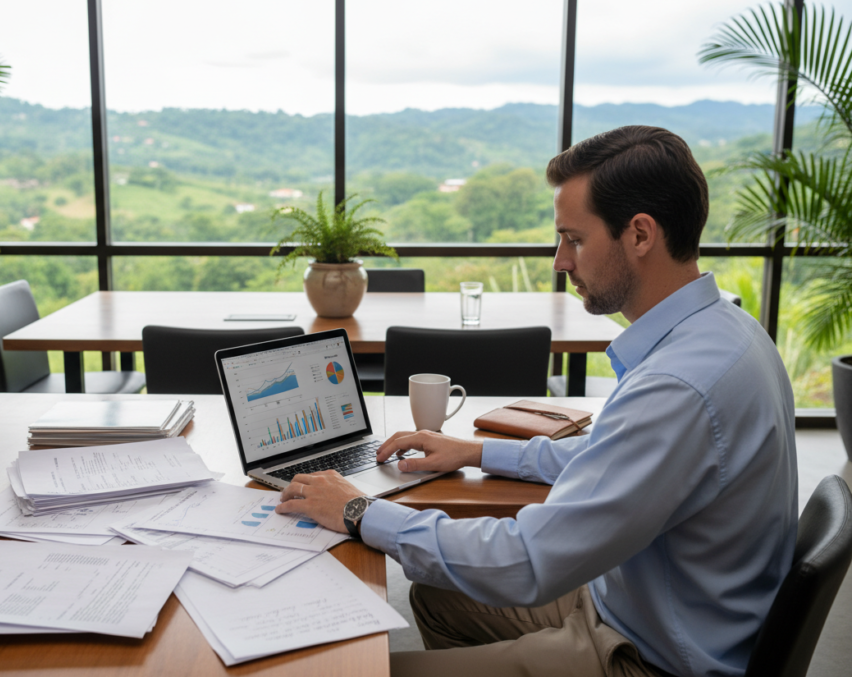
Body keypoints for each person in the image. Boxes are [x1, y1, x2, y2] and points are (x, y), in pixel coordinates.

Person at [275, 125, 797, 677]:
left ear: (640, 234)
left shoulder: (679, 387)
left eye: (573, 239)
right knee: (437, 595)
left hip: (653, 657)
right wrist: (475, 452)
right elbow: (611, 457)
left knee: (371, 671)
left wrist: (359, 511)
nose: (559, 261)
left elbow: (528, 561)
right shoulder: (726, 330)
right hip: (643, 601)